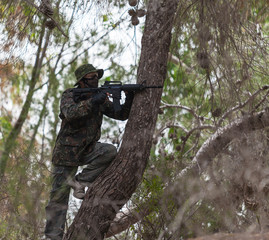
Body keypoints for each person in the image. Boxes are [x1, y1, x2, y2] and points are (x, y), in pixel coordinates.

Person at [44, 64, 134, 240]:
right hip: (66, 154)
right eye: (91, 78)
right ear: (82, 82)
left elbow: (121, 114)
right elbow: (70, 113)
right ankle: (52, 237)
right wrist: (94, 101)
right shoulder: (70, 94)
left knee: (109, 151)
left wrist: (129, 97)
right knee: (58, 201)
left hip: (88, 150)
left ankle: (80, 181)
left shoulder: (98, 97)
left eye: (96, 77)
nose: (95, 81)